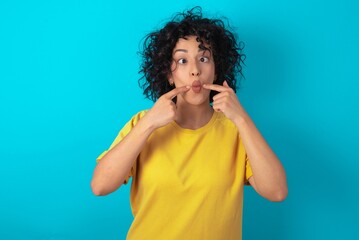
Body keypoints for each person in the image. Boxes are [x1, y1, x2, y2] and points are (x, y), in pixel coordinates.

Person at [91, 6, 287, 240]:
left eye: (204, 58)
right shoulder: (143, 123)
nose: (195, 70)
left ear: (215, 70)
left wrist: (242, 119)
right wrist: (149, 124)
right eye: (182, 60)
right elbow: (100, 186)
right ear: (169, 75)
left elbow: (276, 191)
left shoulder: (236, 130)